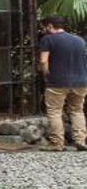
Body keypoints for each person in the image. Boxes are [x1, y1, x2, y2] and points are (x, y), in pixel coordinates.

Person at [36, 16, 87, 150]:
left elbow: (43, 60)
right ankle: (81, 140)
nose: (44, 29)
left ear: (50, 26)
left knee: (54, 111)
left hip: (57, 82)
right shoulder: (79, 40)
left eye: (45, 27)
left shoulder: (48, 39)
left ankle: (57, 143)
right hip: (81, 82)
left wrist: (46, 74)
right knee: (77, 110)